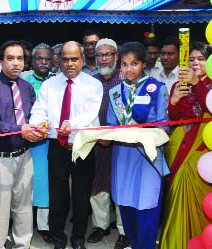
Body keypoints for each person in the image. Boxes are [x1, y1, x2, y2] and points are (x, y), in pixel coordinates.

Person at [30, 41, 103, 249]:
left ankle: (78, 239)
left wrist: (72, 125)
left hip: (82, 147)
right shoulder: (49, 85)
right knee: (57, 197)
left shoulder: (93, 85)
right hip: (57, 147)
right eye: (65, 59)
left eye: (74, 59)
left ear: (82, 60)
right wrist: (36, 124)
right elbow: (39, 110)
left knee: (81, 198)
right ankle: (58, 239)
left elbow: (89, 113)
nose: (69, 64)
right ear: (58, 61)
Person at [0, 40, 47, 249]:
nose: (16, 63)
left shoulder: (27, 88)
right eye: (10, 58)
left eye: (20, 59)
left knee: (24, 207)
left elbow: (34, 117)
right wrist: (21, 130)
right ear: (1, 61)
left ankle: (22, 245)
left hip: (24, 155)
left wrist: (38, 130)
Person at [105, 42, 170, 249]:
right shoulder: (115, 93)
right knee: (127, 207)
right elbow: (111, 125)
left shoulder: (157, 88)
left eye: (134, 63)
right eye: (124, 64)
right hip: (123, 157)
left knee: (147, 209)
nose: (128, 69)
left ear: (143, 64)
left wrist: (142, 132)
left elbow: (164, 126)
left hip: (148, 158)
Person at [160, 42, 212, 249]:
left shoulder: (210, 83)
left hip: (203, 147)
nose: (196, 63)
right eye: (192, 59)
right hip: (179, 142)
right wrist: (173, 100)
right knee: (175, 192)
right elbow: (175, 116)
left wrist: (197, 83)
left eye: (200, 59)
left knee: (199, 196)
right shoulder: (179, 84)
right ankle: (177, 240)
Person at [87, 38, 129, 249]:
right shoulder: (90, 82)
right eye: (99, 55)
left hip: (122, 145)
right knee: (98, 185)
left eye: (107, 54)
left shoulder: (126, 80)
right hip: (96, 143)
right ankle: (101, 226)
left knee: (121, 186)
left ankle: (123, 231)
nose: (103, 59)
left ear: (116, 56)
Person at [23, 42, 54, 244]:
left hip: (50, 142)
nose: (43, 62)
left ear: (53, 61)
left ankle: (44, 225)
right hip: (26, 141)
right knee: (25, 185)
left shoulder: (57, 82)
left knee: (45, 184)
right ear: (31, 61)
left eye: (47, 59)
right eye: (39, 58)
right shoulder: (23, 81)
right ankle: (24, 224)